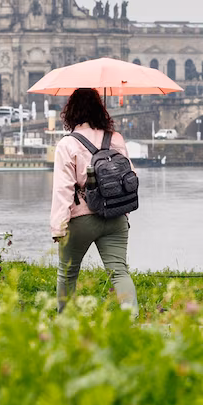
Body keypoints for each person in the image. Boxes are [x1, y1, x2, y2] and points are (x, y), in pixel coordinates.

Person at [49, 87, 138, 314]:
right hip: (116, 216)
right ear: (100, 110)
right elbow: (130, 177)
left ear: (71, 113)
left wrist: (58, 227)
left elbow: (63, 189)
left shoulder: (67, 144)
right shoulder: (116, 138)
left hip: (82, 218)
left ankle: (65, 321)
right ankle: (132, 318)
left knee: (68, 272)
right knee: (119, 271)